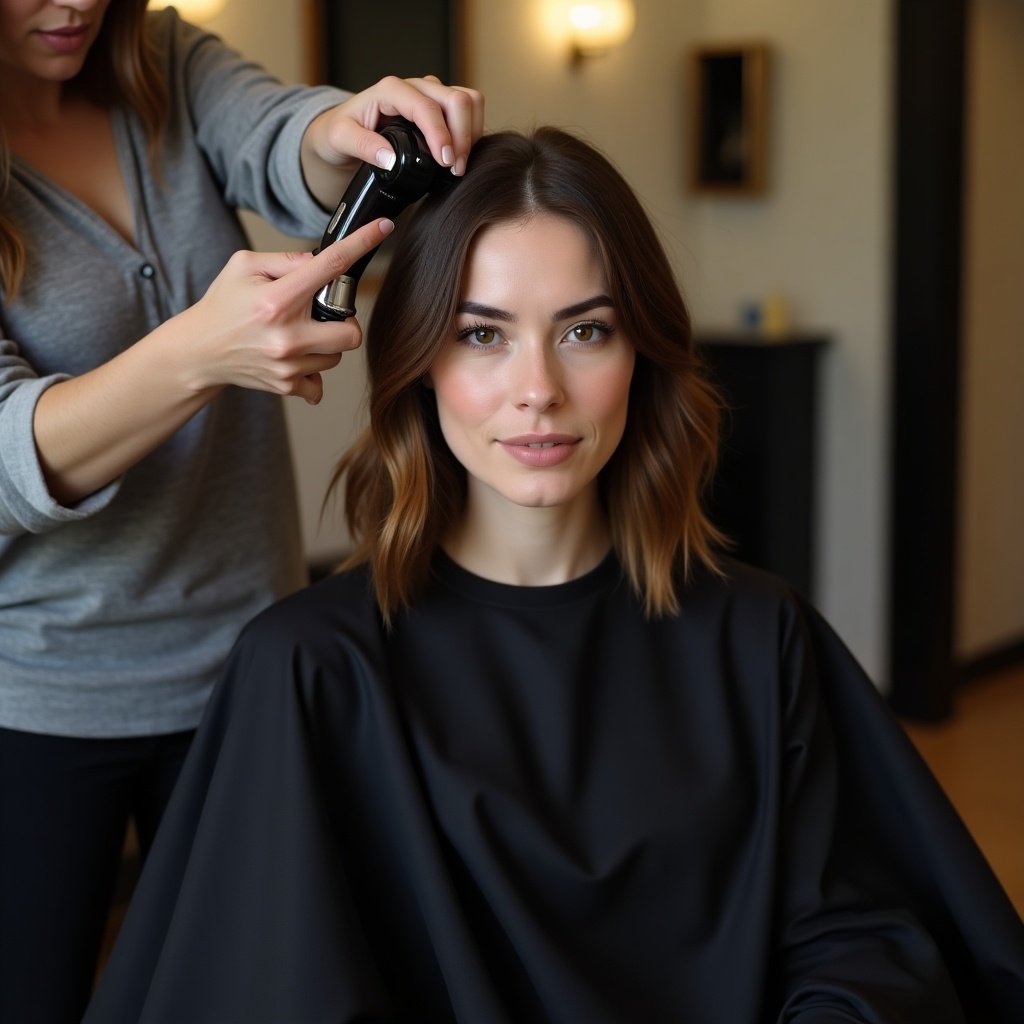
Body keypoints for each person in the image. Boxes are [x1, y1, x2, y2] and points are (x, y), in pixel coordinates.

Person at [85, 127, 1024, 1023]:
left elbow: (854, 936)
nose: (539, 388)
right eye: (482, 335)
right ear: (418, 363)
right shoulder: (313, 669)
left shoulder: (760, 635)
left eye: (585, 332)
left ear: (641, 356)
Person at [0, 0, 483, 1019]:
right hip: (37, 698)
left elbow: (276, 135)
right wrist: (195, 356)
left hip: (241, 664)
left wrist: (344, 130)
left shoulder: (160, 58)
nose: (76, 3)